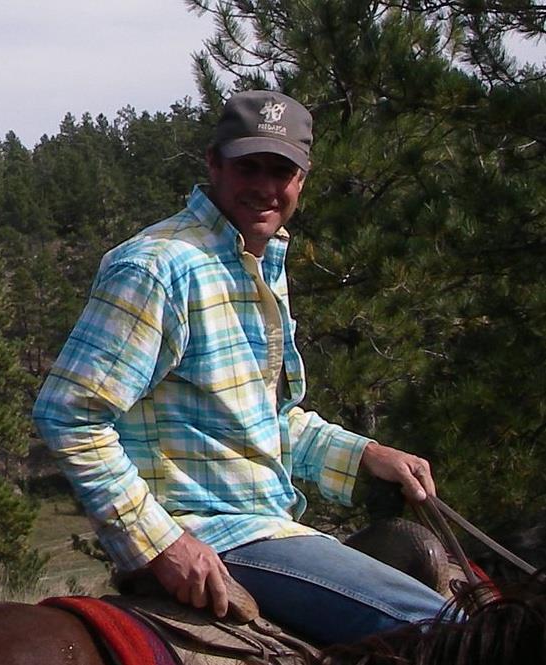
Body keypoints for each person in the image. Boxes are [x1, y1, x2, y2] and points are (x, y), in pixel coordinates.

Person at [33, 90, 447, 644]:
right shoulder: (159, 267)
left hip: (264, 529)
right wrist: (161, 544)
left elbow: (260, 421)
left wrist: (364, 455)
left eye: (281, 171)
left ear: (303, 178)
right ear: (214, 164)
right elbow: (69, 414)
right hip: (216, 537)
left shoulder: (257, 264)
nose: (264, 186)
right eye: (248, 166)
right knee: (451, 631)